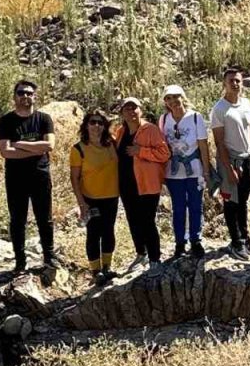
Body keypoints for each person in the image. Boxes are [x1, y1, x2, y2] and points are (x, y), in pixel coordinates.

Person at [0, 79, 56, 272]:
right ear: (15, 96)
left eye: (29, 93)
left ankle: (49, 257)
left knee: (44, 217)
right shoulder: (6, 121)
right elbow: (5, 152)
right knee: (18, 219)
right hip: (16, 178)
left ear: (34, 96)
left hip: (40, 174)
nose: (25, 96)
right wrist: (35, 148)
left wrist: (20, 144)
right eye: (21, 93)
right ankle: (20, 261)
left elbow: (49, 146)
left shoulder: (44, 119)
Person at [211, 67, 250, 260]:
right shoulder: (219, 109)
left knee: (242, 201)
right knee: (231, 203)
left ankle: (245, 239)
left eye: (238, 81)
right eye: (231, 80)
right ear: (224, 83)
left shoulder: (247, 104)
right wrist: (228, 168)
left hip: (248, 158)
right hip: (230, 160)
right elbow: (219, 142)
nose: (235, 84)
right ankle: (236, 242)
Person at [113, 97, 170, 270]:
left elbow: (164, 153)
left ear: (141, 110)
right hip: (127, 184)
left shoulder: (150, 129)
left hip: (147, 184)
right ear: (122, 113)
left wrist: (141, 151)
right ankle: (141, 253)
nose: (131, 111)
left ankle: (154, 259)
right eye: (127, 109)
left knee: (147, 221)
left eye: (134, 108)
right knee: (133, 220)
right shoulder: (121, 132)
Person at [69, 111, 120, 285]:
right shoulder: (78, 149)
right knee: (93, 233)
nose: (96, 126)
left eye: (100, 123)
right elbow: (74, 178)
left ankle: (107, 267)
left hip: (111, 196)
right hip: (91, 198)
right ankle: (95, 270)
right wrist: (81, 203)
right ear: (86, 125)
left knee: (108, 231)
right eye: (92, 122)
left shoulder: (112, 143)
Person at [160, 85, 211, 259]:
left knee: (196, 206)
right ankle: (180, 242)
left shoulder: (195, 118)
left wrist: (206, 171)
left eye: (176, 97)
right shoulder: (164, 120)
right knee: (178, 208)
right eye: (168, 98)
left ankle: (196, 240)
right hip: (173, 172)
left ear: (183, 97)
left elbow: (203, 145)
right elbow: (162, 147)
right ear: (165, 102)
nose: (173, 101)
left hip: (194, 168)